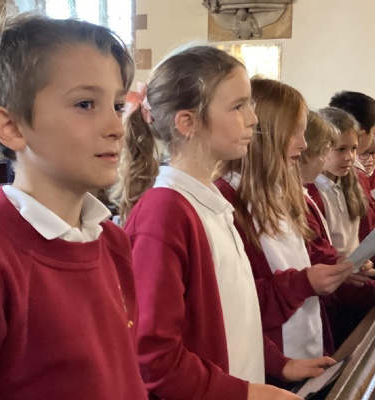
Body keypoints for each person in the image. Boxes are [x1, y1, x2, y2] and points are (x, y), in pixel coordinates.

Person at [115, 45, 320, 400]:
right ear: (188, 123)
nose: (253, 119)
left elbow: (231, 314)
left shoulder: (210, 203)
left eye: (250, 104)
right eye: (238, 106)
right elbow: (154, 359)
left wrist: (278, 363)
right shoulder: (165, 212)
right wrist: (245, 393)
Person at [0, 14, 147, 400]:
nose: (116, 127)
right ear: (12, 127)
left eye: (117, 105)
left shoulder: (113, 241)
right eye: (85, 104)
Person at [215, 78, 353, 386]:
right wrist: (303, 283)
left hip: (305, 348)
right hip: (269, 365)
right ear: (264, 133)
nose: (303, 145)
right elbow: (234, 304)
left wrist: (337, 269)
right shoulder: (226, 200)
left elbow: (305, 252)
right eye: (295, 132)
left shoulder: (281, 189)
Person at [300, 110, 375, 349]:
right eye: (340, 149)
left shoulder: (356, 180)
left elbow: (366, 233)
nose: (349, 157)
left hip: (360, 276)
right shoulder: (309, 192)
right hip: (336, 290)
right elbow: (320, 252)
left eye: (353, 149)